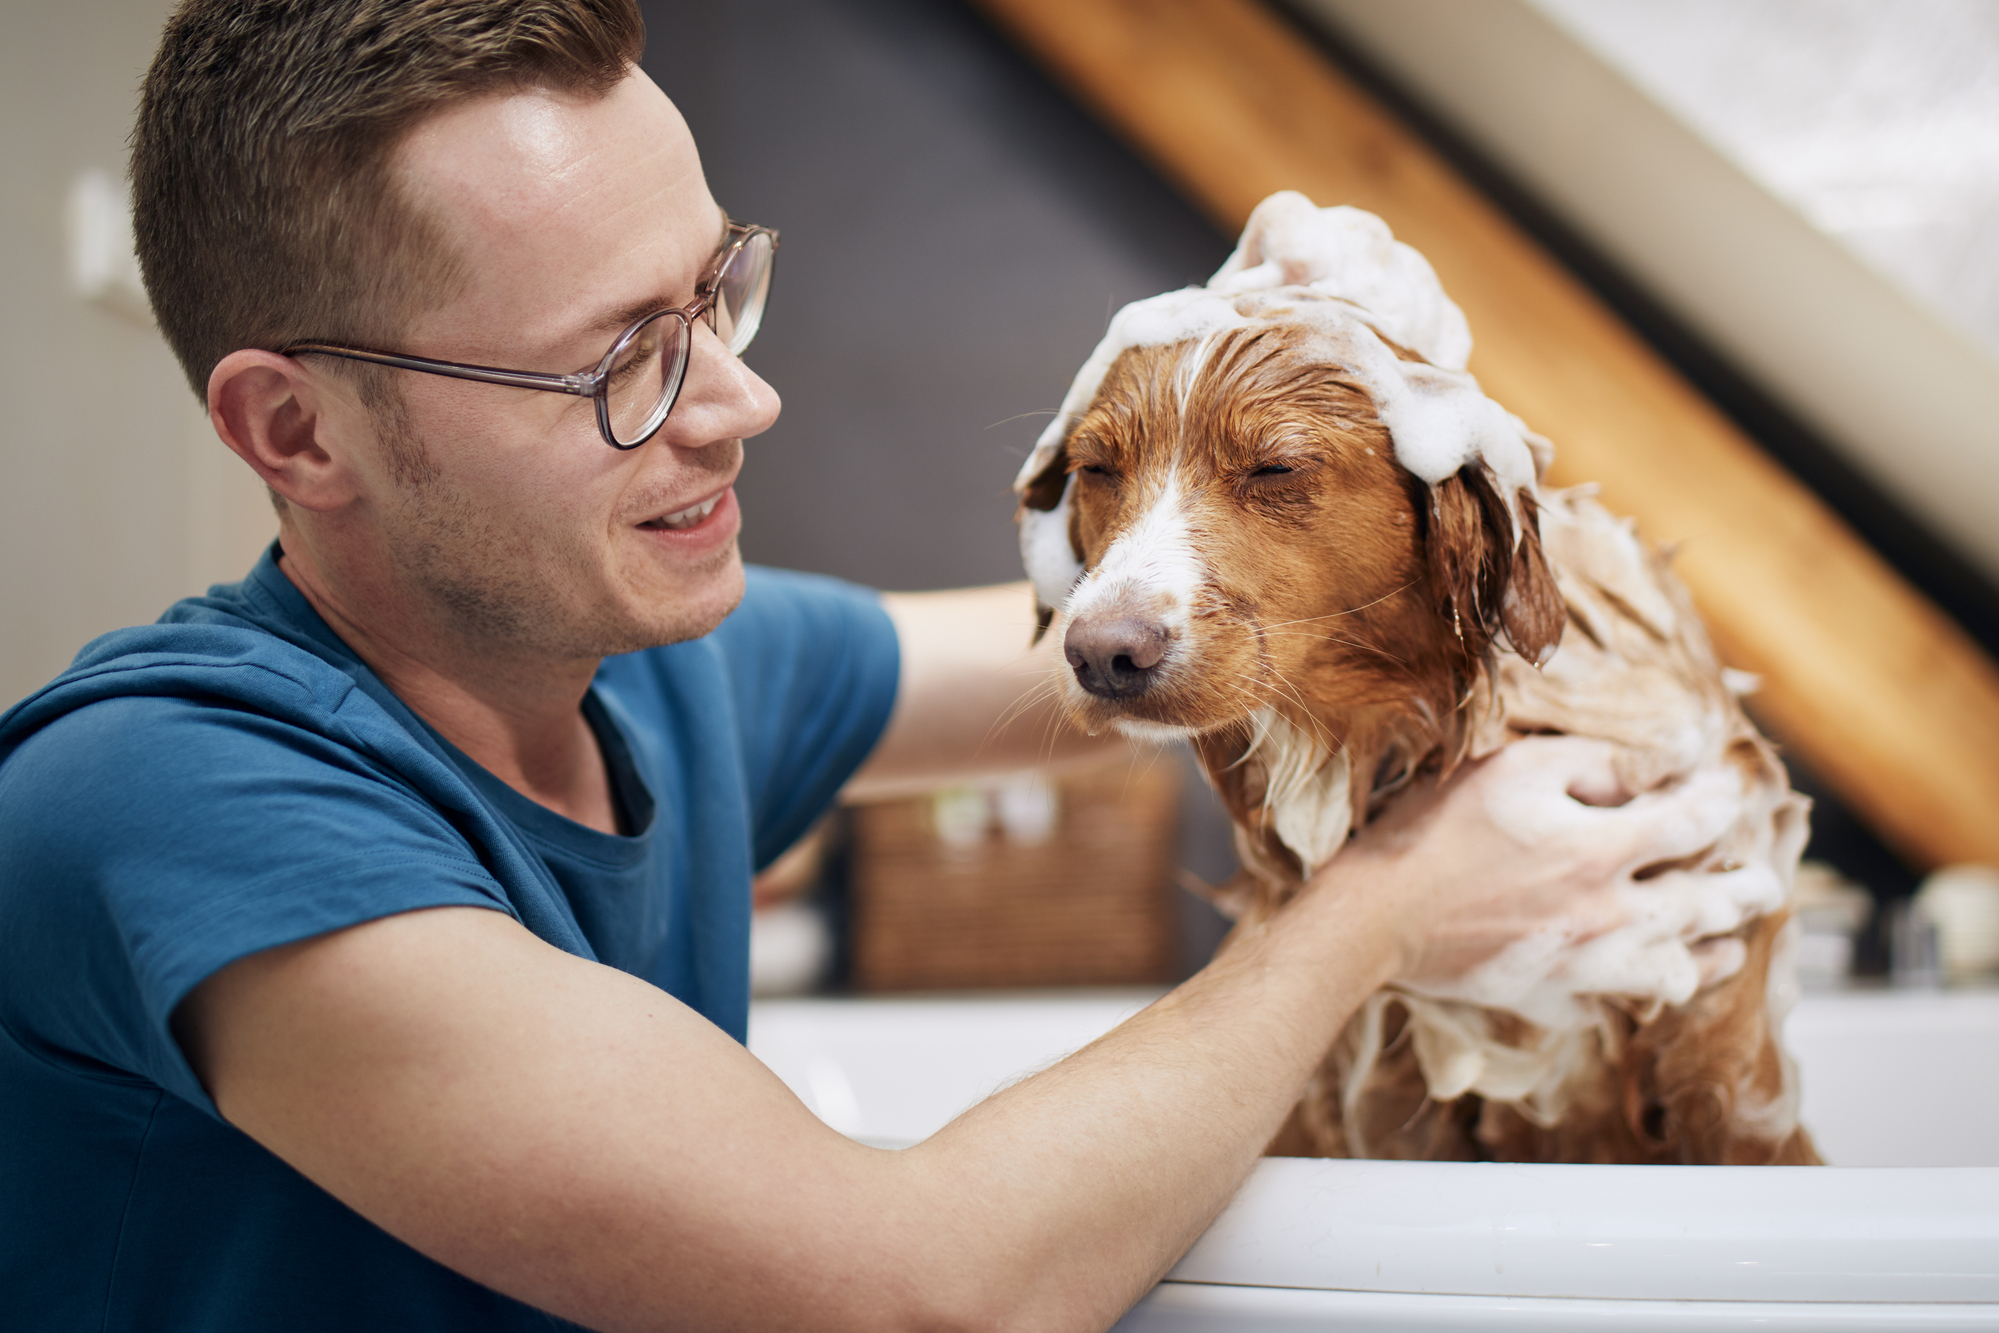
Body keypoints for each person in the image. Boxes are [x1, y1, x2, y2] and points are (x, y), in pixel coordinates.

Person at [0, 2, 1735, 1330]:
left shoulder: (656, 673)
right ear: (296, 429)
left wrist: (1279, 443)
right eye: (619, 360)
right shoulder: (164, 798)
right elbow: (916, 1292)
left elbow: (1100, 665)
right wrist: (1387, 907)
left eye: (713, 298)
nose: (740, 404)